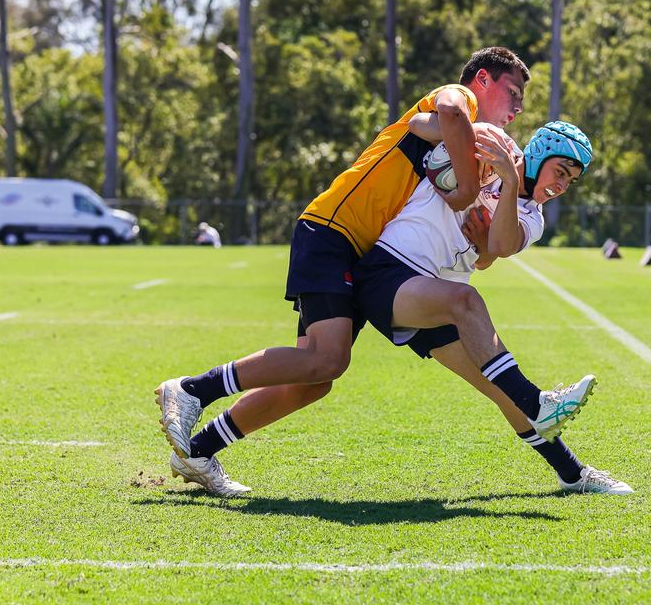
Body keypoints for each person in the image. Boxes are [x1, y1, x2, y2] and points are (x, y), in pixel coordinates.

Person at [156, 48, 593, 496]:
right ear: (483, 80)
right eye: (514, 94)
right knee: (329, 360)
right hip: (341, 234)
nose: (518, 108)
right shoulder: (463, 104)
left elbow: (487, 252)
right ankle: (193, 389)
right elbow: (433, 119)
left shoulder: (503, 170)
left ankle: (572, 471)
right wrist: (466, 186)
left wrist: (481, 210)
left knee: (316, 378)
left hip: (379, 261)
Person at [349, 120, 630, 494]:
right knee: (467, 302)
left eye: (570, 181)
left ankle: (572, 473)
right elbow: (434, 142)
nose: (562, 186)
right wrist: (477, 149)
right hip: (393, 272)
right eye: (560, 172)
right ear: (539, 155)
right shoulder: (493, 149)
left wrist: (510, 184)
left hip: (434, 295)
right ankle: (537, 401)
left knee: (502, 390)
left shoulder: (533, 217)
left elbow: (496, 247)